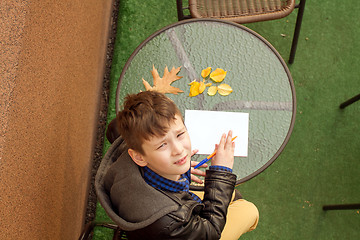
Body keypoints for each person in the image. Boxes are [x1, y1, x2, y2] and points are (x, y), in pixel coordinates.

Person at [104, 91, 259, 240]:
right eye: (162, 146)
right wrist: (221, 172)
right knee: (249, 211)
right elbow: (210, 232)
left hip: (169, 210)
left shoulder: (133, 150)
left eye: (179, 135)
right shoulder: (169, 221)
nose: (179, 150)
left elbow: (113, 128)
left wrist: (174, 171)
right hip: (179, 225)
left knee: (230, 194)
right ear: (139, 157)